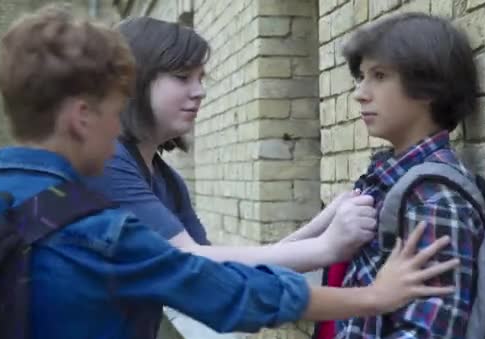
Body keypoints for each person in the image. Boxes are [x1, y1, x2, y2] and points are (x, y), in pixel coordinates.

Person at [0, 5, 459, 339]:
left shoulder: (13, 187)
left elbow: (216, 262)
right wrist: (371, 295)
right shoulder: (98, 222)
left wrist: (320, 229)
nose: (199, 93)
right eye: (117, 111)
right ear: (81, 116)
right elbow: (209, 281)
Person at [85, 16, 376, 273]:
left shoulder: (167, 181)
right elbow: (190, 259)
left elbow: (216, 268)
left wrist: (323, 224)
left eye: (200, 78)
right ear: (134, 82)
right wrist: (327, 247)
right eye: (182, 77)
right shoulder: (106, 161)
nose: (200, 92)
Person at [290, 13, 485, 339]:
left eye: (379, 76)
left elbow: (428, 334)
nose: (360, 93)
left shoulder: (434, 197)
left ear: (428, 87)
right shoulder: (384, 180)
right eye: (362, 76)